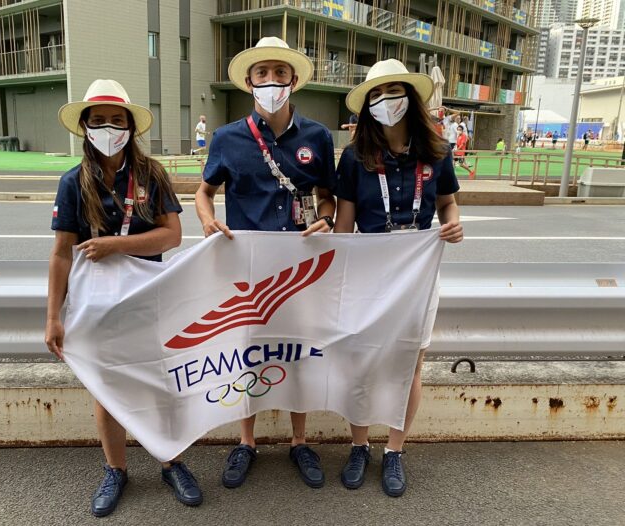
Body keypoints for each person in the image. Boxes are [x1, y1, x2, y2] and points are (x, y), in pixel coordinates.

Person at [46, 79, 202, 517]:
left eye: (117, 120)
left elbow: (173, 235)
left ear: (131, 126)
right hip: (96, 307)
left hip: (150, 298)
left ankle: (171, 461)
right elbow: (60, 255)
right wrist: (52, 318)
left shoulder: (151, 173)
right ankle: (116, 470)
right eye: (99, 121)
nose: (108, 128)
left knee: (159, 383)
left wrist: (115, 245)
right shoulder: (73, 181)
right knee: (107, 389)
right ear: (84, 127)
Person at [195, 36, 336, 490]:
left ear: (292, 80)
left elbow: (326, 195)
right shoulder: (227, 138)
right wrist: (206, 219)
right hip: (246, 268)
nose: (271, 82)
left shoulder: (317, 137)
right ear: (249, 83)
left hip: (299, 266)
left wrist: (327, 218)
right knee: (248, 356)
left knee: (298, 353)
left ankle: (299, 440)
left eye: (279, 73)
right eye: (262, 74)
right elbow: (204, 191)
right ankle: (246, 442)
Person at [333, 58, 463, 497]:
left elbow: (447, 205)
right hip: (369, 273)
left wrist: (453, 224)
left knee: (409, 366)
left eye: (394, 92)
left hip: (417, 272)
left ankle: (394, 451)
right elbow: (343, 228)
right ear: (367, 105)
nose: (386, 101)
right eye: (376, 95)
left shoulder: (438, 151)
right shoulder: (354, 158)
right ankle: (358, 445)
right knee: (360, 362)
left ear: (411, 96)